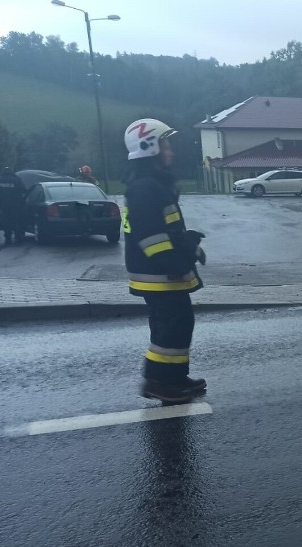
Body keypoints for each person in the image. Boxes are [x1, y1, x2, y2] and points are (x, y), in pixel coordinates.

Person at [123, 118, 208, 403]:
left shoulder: (152, 184)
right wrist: (175, 263)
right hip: (159, 274)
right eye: (165, 144)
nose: (170, 150)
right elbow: (151, 237)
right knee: (170, 326)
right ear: (149, 147)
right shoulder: (145, 187)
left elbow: (165, 229)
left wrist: (186, 242)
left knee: (178, 323)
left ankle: (174, 378)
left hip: (161, 272)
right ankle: (158, 382)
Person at [0, 167, 26, 245]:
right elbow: (24, 191)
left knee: (6, 221)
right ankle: (18, 237)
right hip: (16, 205)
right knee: (17, 221)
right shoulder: (17, 180)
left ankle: (8, 238)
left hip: (3, 205)